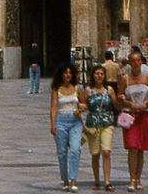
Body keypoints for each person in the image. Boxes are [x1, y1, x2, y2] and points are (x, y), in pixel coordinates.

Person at [118, 49, 148, 191]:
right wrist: (128, 103)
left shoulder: (147, 77)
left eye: (138, 60)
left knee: (141, 149)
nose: (135, 63)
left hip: (144, 115)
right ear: (129, 63)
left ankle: (138, 178)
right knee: (132, 147)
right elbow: (119, 96)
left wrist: (146, 103)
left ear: (141, 62)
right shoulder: (125, 79)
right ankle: (132, 179)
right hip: (130, 116)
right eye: (133, 61)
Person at [50, 62, 85, 193]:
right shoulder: (56, 89)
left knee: (76, 149)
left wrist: (80, 109)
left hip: (75, 121)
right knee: (62, 152)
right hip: (61, 120)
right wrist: (52, 123)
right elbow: (53, 106)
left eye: (70, 73)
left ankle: (73, 179)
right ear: (61, 74)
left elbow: (84, 102)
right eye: (65, 73)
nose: (68, 75)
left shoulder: (77, 88)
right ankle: (65, 180)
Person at [83, 64, 119, 191]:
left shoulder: (109, 90)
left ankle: (107, 181)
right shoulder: (88, 90)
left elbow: (116, 105)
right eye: (97, 73)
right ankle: (97, 180)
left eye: (101, 74)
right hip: (93, 124)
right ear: (93, 75)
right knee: (95, 153)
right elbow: (82, 104)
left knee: (106, 152)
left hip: (107, 122)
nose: (99, 76)